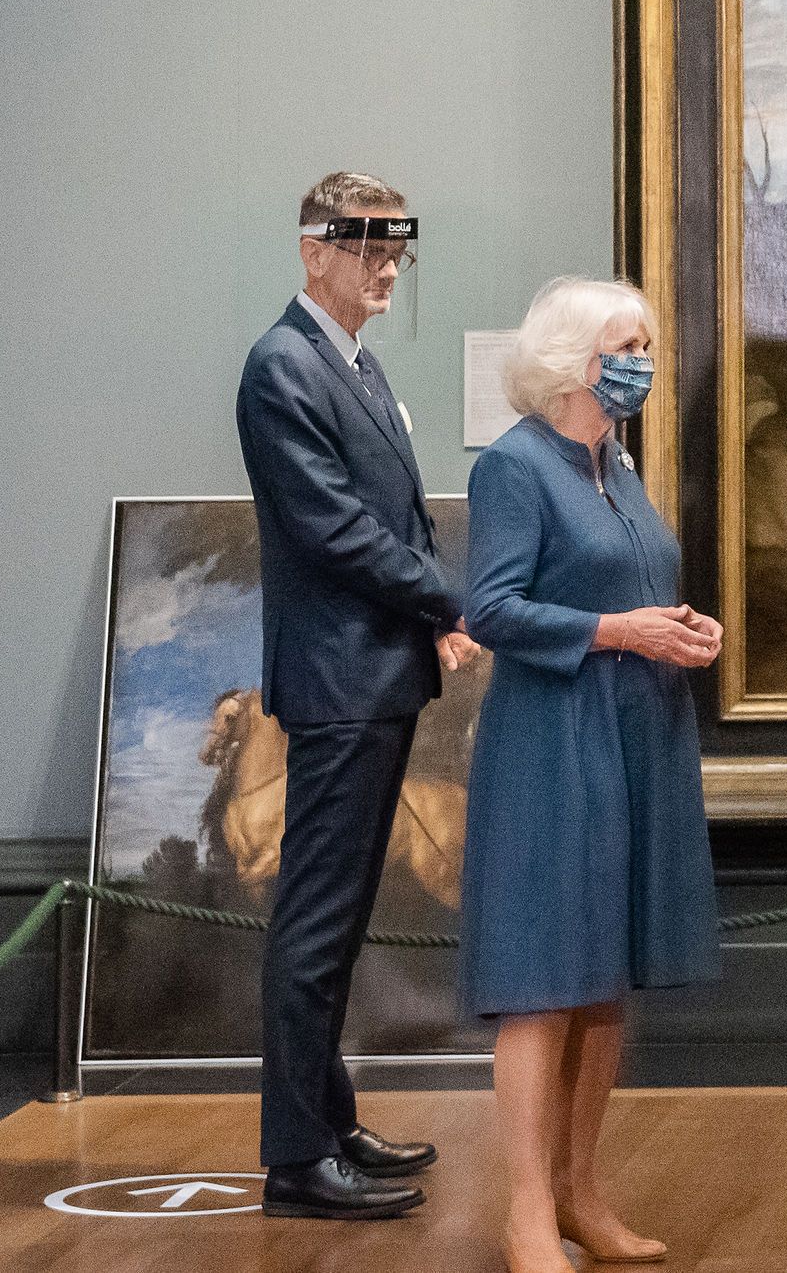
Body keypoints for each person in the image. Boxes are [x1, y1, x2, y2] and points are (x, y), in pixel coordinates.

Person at [461, 275, 723, 1273]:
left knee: (605, 986)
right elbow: (491, 610)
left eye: (648, 341)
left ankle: (581, 1191)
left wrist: (683, 627)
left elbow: (637, 584)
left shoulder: (618, 463)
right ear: (574, 358)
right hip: (551, 742)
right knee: (544, 985)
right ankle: (528, 1207)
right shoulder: (517, 467)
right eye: (627, 342)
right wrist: (618, 631)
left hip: (640, 734)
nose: (643, 359)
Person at [236, 172, 478, 1222]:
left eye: (397, 248)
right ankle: (296, 1157)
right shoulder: (282, 368)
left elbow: (397, 518)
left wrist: (430, 608)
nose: (387, 266)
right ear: (311, 249)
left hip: (370, 676)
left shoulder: (352, 365)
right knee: (314, 926)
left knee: (333, 928)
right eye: (367, 245)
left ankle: (328, 1121)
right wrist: (450, 599)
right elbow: (336, 530)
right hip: (340, 683)